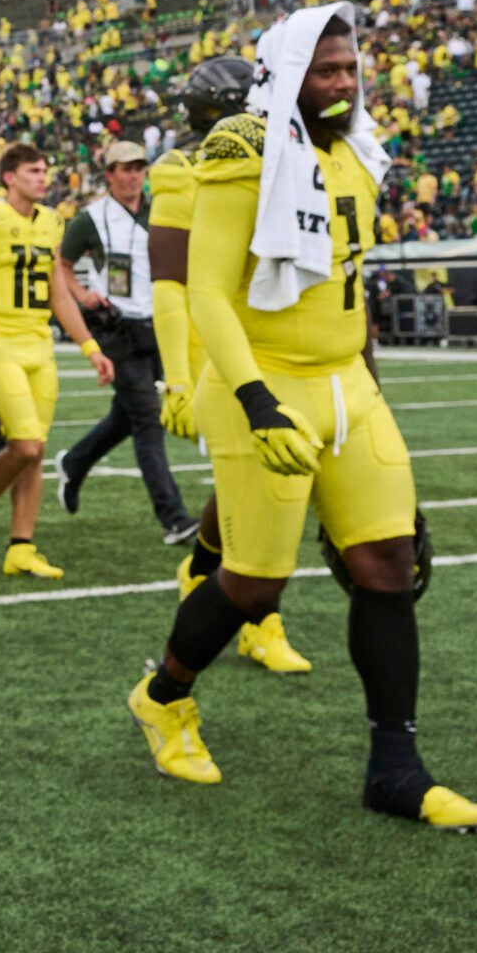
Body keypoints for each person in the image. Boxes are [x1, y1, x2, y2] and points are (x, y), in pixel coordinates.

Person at [126, 6, 477, 830]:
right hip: (264, 378)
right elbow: (211, 291)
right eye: (325, 70)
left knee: (389, 565)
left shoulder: (359, 154)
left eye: (350, 69)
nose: (341, 83)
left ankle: (395, 765)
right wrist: (253, 399)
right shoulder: (242, 149)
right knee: (255, 578)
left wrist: (372, 397)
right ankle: (163, 697)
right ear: (288, 72)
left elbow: (349, 294)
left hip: (345, 384)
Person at [150, 57, 309, 676]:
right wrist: (177, 379)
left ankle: (201, 572)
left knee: (256, 479)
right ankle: (260, 618)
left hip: (264, 335)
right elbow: (170, 285)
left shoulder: (288, 156)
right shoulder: (181, 168)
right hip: (209, 341)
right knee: (264, 482)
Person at [0, 144, 114, 579]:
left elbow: (60, 293)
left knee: (35, 453)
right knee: (26, 444)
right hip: (0, 340)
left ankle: (21, 546)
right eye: (34, 171)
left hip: (39, 343)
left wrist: (90, 348)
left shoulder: (51, 221)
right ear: (9, 177)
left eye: (45, 170)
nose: (43, 178)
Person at [54, 141, 196, 543]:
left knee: (129, 415)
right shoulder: (91, 218)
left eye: (138, 167)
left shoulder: (161, 208)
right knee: (149, 420)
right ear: (110, 174)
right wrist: (83, 296)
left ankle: (74, 462)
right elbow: (61, 264)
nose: (133, 174)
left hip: (159, 323)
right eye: (125, 168)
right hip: (117, 327)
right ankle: (174, 517)